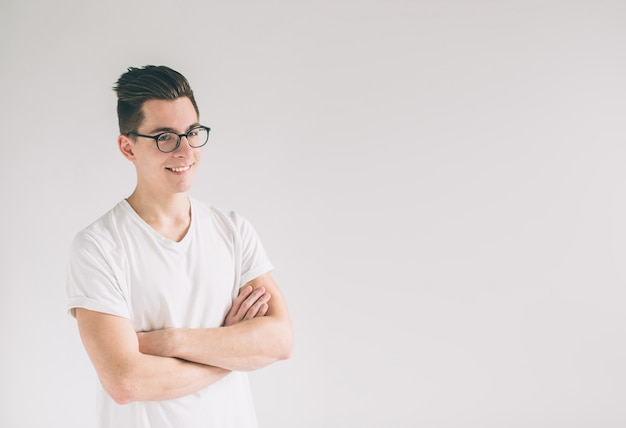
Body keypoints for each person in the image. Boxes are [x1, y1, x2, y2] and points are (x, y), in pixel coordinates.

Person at [66, 65, 293, 428]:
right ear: (128, 147)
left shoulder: (232, 230)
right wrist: (231, 349)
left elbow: (279, 340)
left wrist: (168, 341)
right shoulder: (98, 246)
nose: (185, 150)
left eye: (192, 132)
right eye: (164, 137)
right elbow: (125, 381)